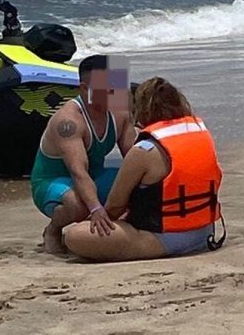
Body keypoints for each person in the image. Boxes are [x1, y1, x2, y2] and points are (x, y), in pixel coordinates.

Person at [63, 77, 225, 261]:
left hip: (163, 238)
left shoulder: (143, 151)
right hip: (204, 230)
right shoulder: (200, 134)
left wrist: (96, 221)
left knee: (74, 235)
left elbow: (115, 206)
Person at [30, 54, 139, 254]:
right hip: (54, 181)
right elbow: (78, 171)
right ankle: (53, 230)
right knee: (79, 206)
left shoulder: (121, 111)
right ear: (84, 89)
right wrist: (96, 209)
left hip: (94, 176)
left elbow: (135, 159)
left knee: (138, 184)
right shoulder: (68, 122)